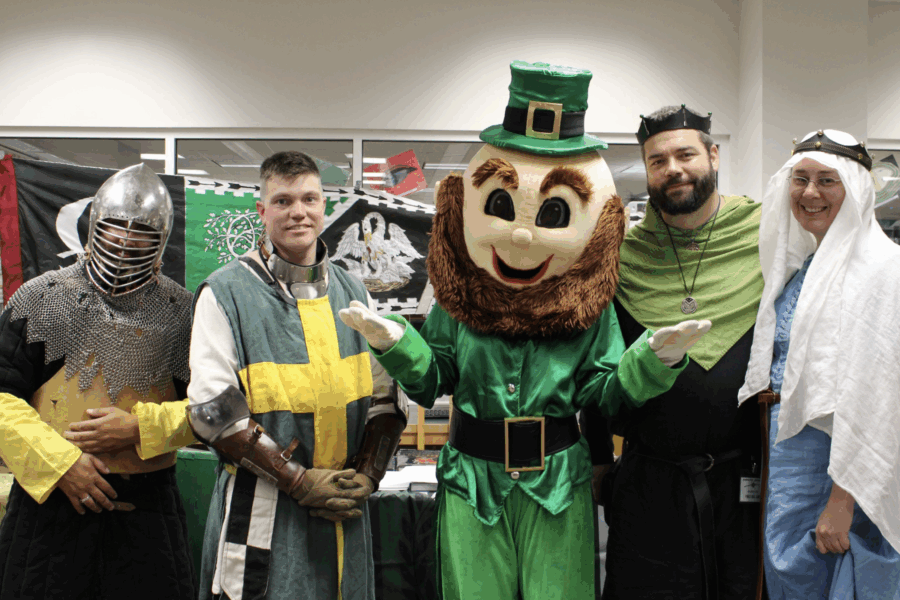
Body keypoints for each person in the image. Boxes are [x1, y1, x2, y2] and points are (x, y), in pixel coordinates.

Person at [340, 62, 710, 600]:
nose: (521, 232)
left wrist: (652, 360)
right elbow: (432, 379)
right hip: (472, 480)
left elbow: (601, 393)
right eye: (499, 205)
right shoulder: (460, 297)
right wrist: (397, 343)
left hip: (558, 481)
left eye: (555, 212)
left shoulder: (590, 306)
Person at [186, 150, 407, 600]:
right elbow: (213, 411)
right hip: (264, 511)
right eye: (283, 201)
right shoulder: (225, 292)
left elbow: (386, 396)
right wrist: (300, 481)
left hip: (344, 507)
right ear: (262, 210)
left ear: (324, 205)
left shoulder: (353, 288)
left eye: (309, 198)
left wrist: (367, 474)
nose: (298, 212)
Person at [582, 105, 766, 599]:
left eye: (685, 154)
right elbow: (592, 365)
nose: (673, 169)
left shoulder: (765, 235)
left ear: (713, 155)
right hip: (649, 482)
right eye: (657, 160)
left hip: (742, 483)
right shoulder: (621, 255)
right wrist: (600, 459)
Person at [0, 163, 196, 599]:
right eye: (114, 228)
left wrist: (140, 428)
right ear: (94, 228)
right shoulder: (43, 298)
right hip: (49, 511)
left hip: (146, 515)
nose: (125, 242)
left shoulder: (182, 314)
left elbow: (213, 409)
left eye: (140, 233)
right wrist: (61, 464)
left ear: (160, 242)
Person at [738, 129, 900, 598]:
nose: (810, 193)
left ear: (855, 190)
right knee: (793, 574)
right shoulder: (806, 266)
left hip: (837, 472)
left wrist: (843, 498)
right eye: (801, 179)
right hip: (792, 465)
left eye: (827, 180)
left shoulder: (881, 270)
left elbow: (880, 393)